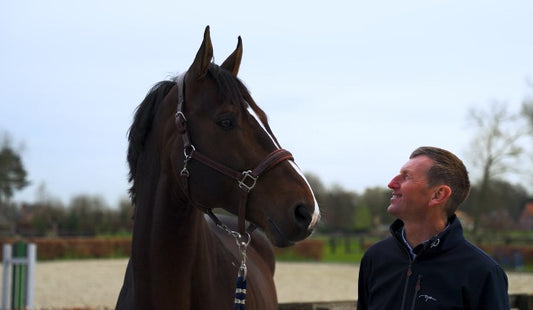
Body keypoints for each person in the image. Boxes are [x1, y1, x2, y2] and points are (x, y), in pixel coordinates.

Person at [357, 146, 510, 309]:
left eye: (406, 176)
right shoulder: (375, 258)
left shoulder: (483, 272)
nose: (391, 183)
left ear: (438, 194)